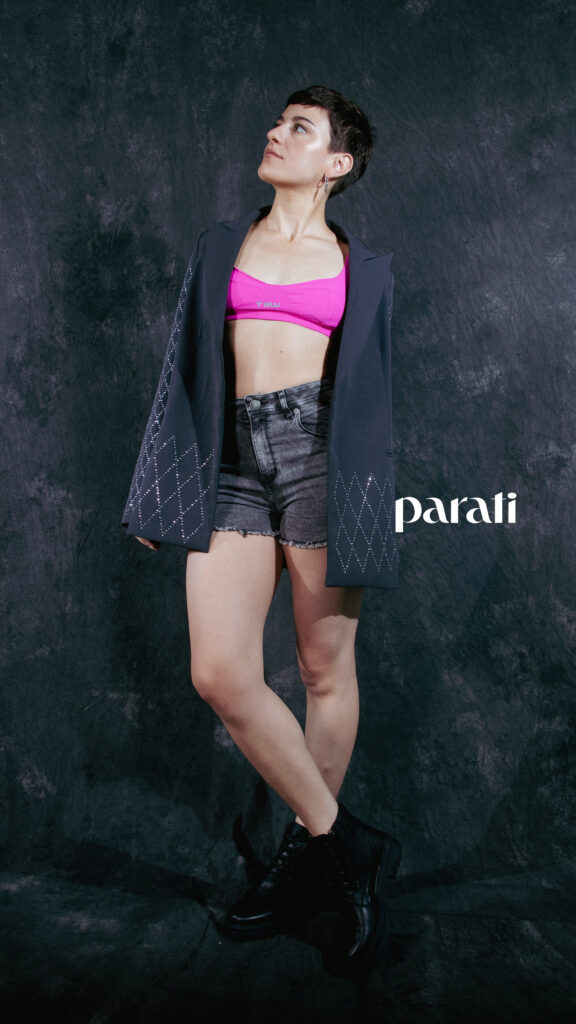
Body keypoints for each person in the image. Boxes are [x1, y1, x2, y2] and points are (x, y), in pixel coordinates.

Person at [122, 85, 401, 975]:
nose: (277, 134)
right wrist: (158, 491)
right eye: (279, 123)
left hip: (322, 461)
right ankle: (341, 844)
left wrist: (370, 509)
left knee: (323, 670)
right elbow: (183, 369)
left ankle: (302, 863)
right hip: (231, 464)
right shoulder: (221, 246)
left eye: (300, 129)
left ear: (337, 163)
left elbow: (371, 407)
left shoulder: (365, 268)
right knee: (220, 672)